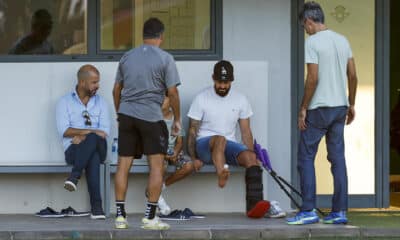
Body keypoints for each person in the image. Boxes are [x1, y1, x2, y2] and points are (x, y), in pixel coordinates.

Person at [286, 1, 358, 225]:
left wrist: (303, 108)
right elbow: (353, 75)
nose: (305, 30)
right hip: (340, 108)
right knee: (337, 159)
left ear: (308, 22)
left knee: (305, 158)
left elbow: (312, 79)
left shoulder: (313, 42)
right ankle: (340, 212)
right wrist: (351, 104)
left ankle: (308, 210)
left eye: (304, 26)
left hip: (319, 109)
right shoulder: (342, 40)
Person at [112, 17, 182, 230]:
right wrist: (177, 119)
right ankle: (150, 217)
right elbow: (173, 92)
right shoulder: (165, 58)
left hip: (126, 115)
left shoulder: (126, 57)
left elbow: (116, 90)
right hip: (151, 117)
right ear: (161, 36)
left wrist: (119, 113)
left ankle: (120, 217)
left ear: (143, 36)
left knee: (123, 164)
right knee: (156, 166)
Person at [186, 60, 270, 218]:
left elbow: (246, 132)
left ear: (232, 80)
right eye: (219, 82)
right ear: (213, 78)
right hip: (204, 146)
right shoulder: (201, 98)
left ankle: (254, 205)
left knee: (251, 158)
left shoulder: (241, 99)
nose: (223, 86)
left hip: (227, 146)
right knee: (219, 139)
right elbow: (191, 131)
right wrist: (193, 158)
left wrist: (252, 157)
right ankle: (221, 173)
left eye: (226, 82)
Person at [56, 64, 110, 220]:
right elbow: (64, 131)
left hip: (100, 147)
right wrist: (87, 132)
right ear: (82, 83)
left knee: (93, 140)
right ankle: (97, 208)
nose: (97, 86)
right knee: (91, 155)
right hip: (73, 150)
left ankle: (74, 176)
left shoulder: (101, 103)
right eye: (94, 82)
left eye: (98, 82)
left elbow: (104, 132)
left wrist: (84, 135)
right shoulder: (64, 102)